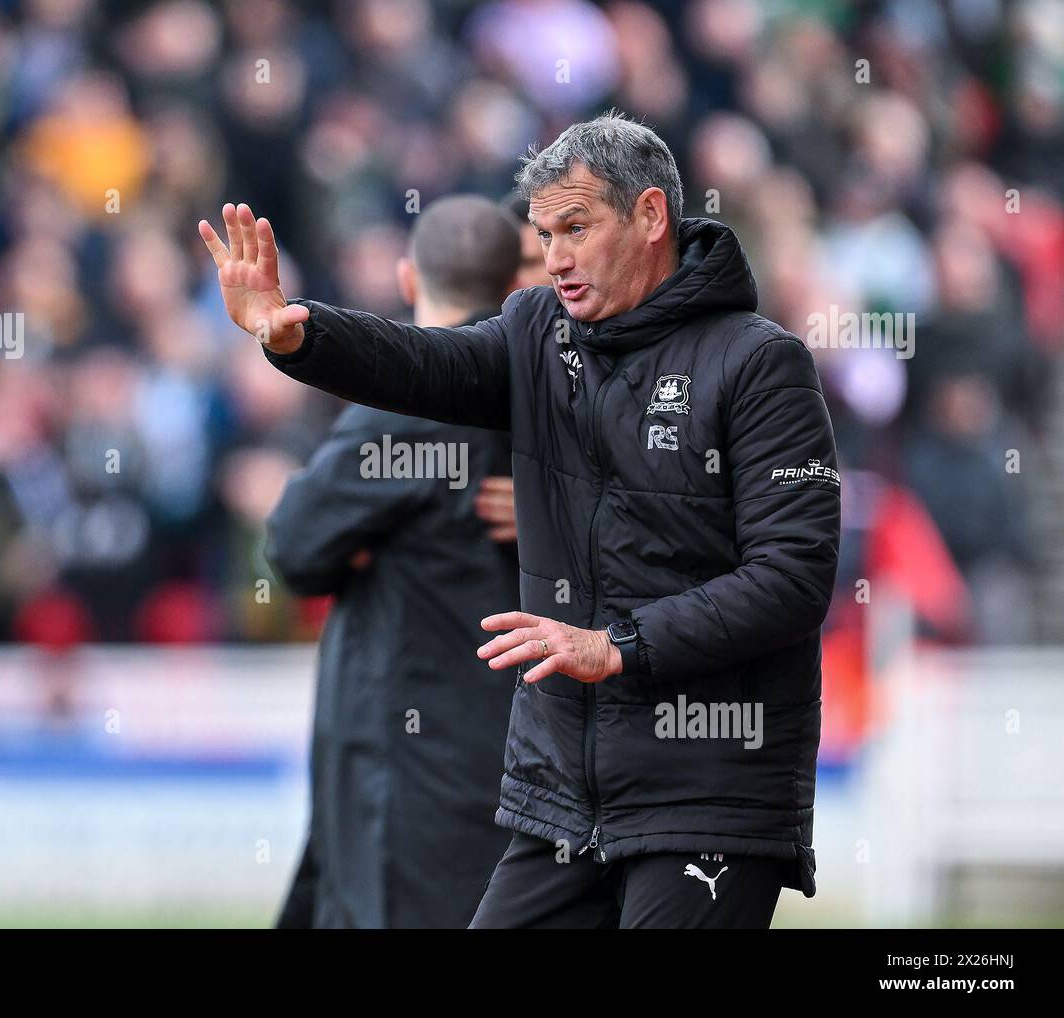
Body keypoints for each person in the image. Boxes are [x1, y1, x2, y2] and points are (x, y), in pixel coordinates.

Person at [199, 111, 841, 929]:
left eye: (576, 227)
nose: (556, 259)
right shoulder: (540, 332)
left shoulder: (760, 363)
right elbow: (428, 366)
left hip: (707, 790)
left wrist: (617, 646)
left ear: (651, 216)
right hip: (563, 800)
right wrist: (298, 336)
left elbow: (793, 580)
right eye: (544, 234)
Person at [265, 195, 522, 928]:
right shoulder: (543, 392)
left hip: (410, 761)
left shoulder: (409, 403)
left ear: (410, 281)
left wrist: (361, 543)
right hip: (514, 743)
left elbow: (294, 546)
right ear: (512, 291)